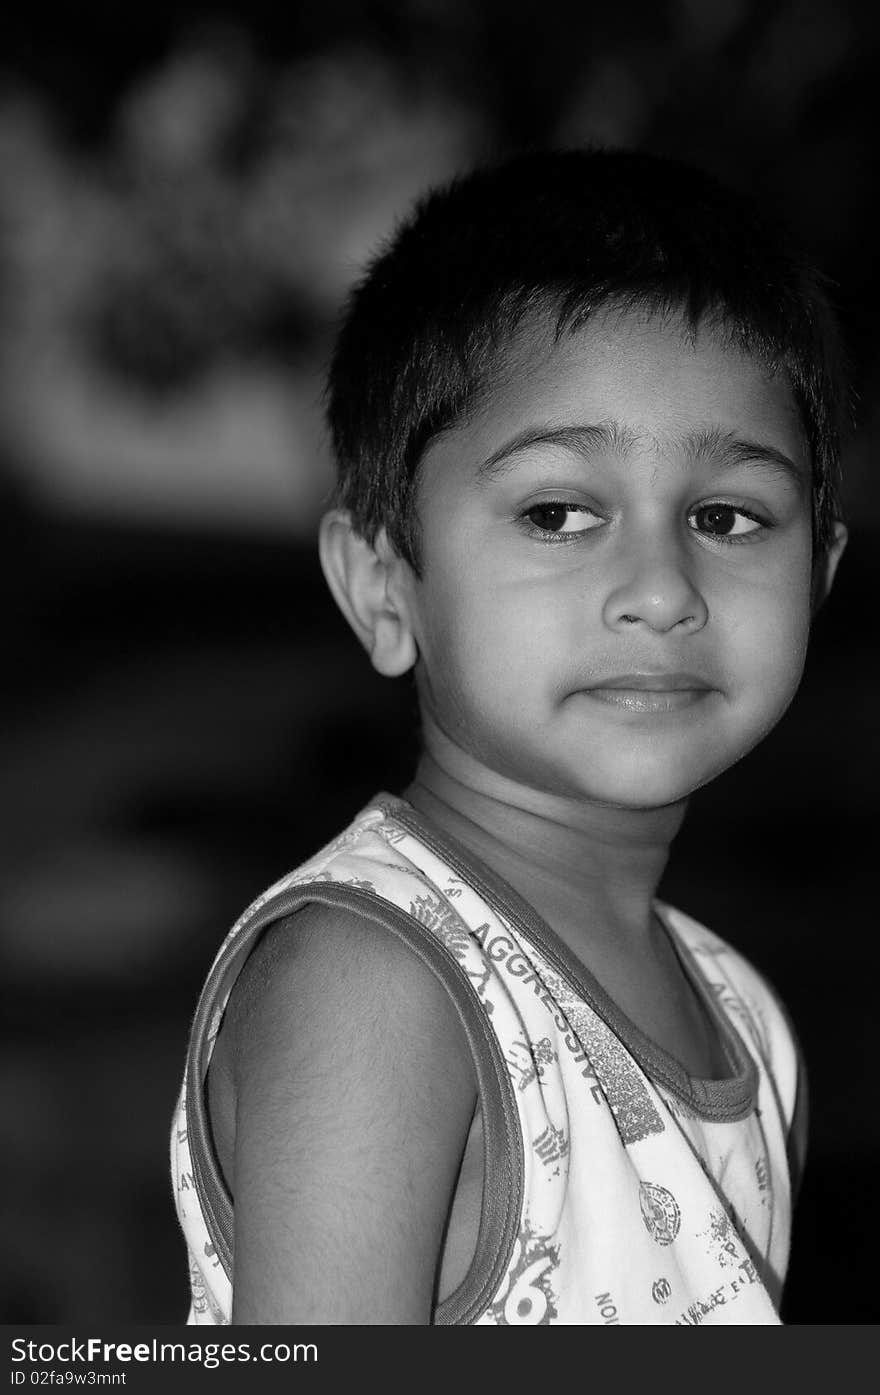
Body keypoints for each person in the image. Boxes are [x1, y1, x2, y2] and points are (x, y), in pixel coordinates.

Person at [171, 148, 850, 1325]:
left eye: (726, 516)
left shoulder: (741, 1012)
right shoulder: (377, 985)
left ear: (820, 572)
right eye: (555, 512)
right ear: (386, 589)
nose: (659, 588)